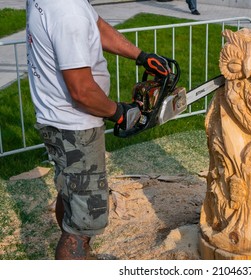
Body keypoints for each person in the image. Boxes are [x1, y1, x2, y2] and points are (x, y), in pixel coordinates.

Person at [26, 0, 170, 260]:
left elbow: (96, 25)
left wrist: (140, 55)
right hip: (75, 126)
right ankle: (76, 257)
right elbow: (81, 90)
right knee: (84, 222)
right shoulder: (67, 10)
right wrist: (119, 113)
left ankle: (84, 256)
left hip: (58, 119)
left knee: (71, 195)